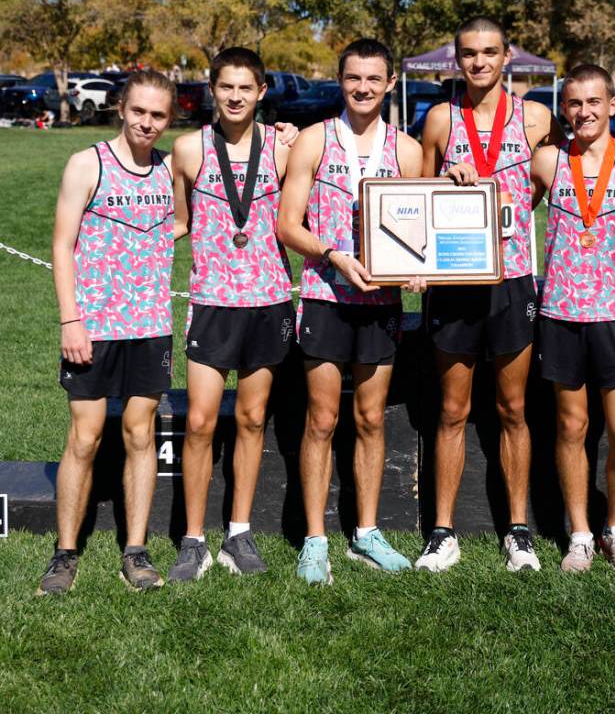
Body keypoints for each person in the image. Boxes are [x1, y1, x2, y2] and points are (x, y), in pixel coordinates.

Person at [417, 17, 615, 572]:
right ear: (457, 60)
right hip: (455, 281)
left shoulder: (538, 121)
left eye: (489, 53)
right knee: (452, 409)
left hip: (516, 282)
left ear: (508, 57)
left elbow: (587, 172)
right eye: (469, 54)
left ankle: (520, 531)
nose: (479, 63)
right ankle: (442, 532)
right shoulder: (438, 120)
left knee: (514, 409)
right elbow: (421, 195)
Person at [277, 38, 424, 585]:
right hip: (325, 296)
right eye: (353, 78)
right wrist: (333, 255)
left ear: (389, 84)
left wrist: (417, 267)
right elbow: (288, 224)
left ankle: (366, 532)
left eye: (373, 79)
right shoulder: (314, 140)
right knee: (321, 419)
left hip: (382, 301)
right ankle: (315, 540)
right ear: (340, 81)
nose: (363, 88)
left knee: (369, 418)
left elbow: (418, 229)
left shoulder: (406, 151)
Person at [39, 70, 180, 594]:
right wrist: (70, 319)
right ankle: (65, 554)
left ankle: (136, 552)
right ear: (122, 108)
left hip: (149, 325)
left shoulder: (170, 170)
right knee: (85, 436)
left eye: (158, 115)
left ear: (170, 119)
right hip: (93, 327)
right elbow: (61, 244)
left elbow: (180, 221)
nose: (147, 123)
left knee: (141, 434)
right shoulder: (87, 164)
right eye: (139, 111)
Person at [529, 63, 615, 573]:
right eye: (573, 103)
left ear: (612, 105)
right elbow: (507, 205)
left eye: (593, 102)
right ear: (564, 108)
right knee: (571, 427)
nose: (583, 112)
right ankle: (581, 534)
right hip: (561, 313)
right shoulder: (546, 161)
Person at [167, 47, 297, 582]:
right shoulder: (187, 149)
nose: (236, 97)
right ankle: (194, 539)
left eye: (247, 88)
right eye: (227, 87)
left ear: (262, 92)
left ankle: (238, 533)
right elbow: (176, 221)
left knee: (249, 419)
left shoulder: (284, 148)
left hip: (268, 300)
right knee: (198, 420)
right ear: (212, 89)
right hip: (212, 300)